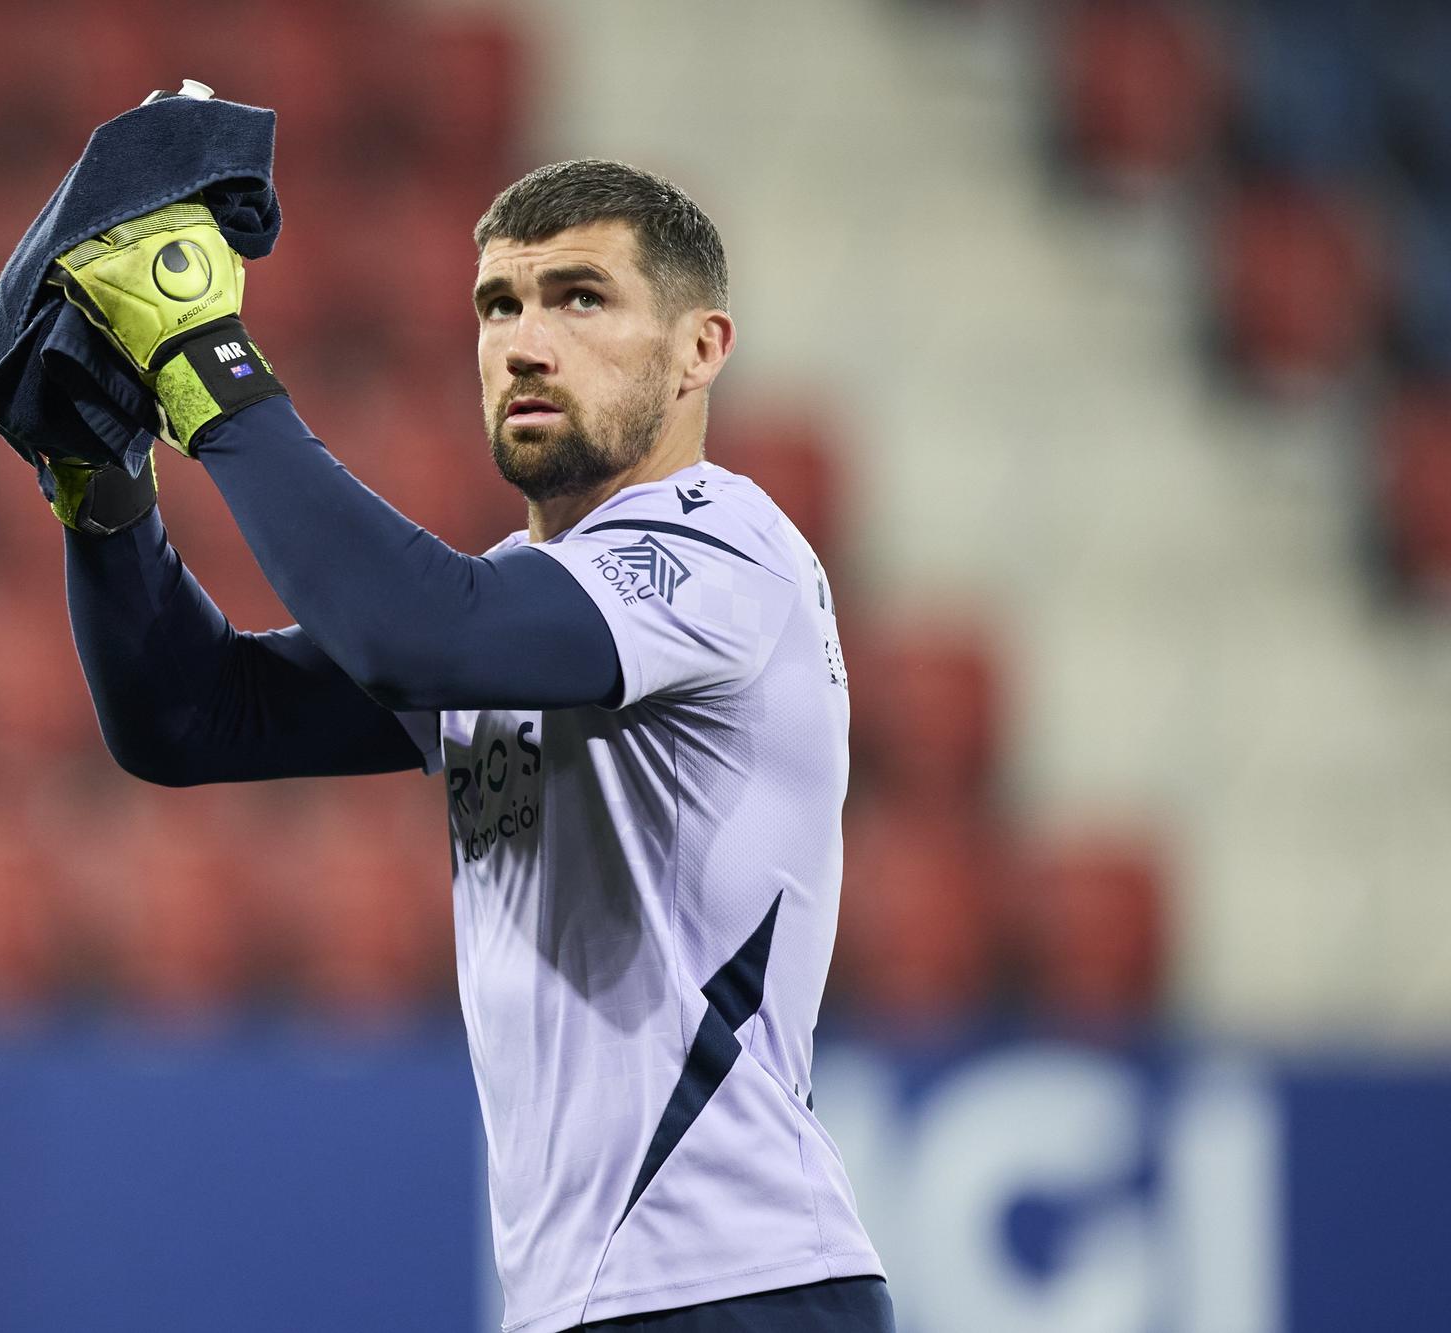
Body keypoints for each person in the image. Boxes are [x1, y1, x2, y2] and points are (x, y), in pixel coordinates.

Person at [50, 159, 894, 1333]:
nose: (525, 342)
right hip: (598, 1303)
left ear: (701, 349)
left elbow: (411, 636)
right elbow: (189, 716)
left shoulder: (724, 554)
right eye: (498, 305)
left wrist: (207, 366)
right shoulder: (518, 611)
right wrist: (100, 480)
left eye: (580, 298)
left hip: (732, 1288)